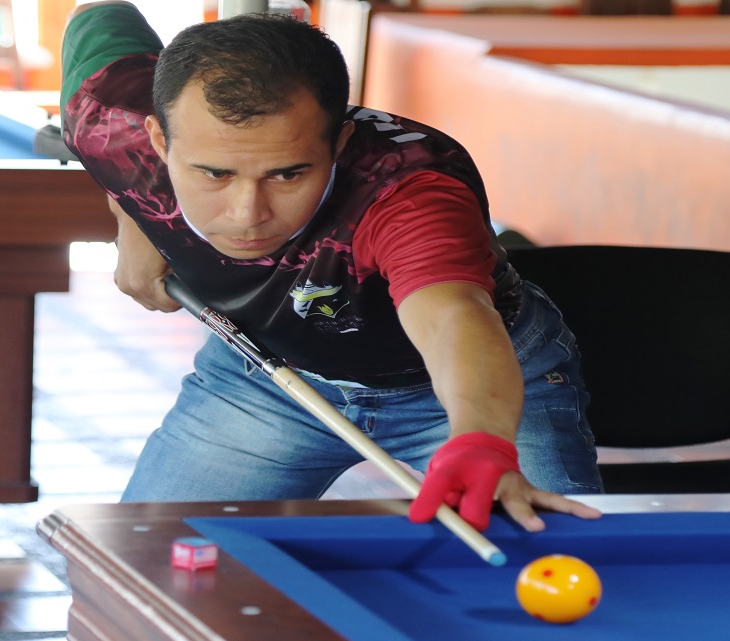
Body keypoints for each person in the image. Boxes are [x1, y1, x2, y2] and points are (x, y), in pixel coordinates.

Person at [59, 2, 603, 531]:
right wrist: (134, 215)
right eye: (215, 174)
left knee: (551, 560)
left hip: (463, 389)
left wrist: (482, 440)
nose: (248, 214)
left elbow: (451, 314)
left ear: (339, 142)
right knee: (153, 559)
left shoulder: (407, 190)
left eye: (287, 174)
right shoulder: (108, 124)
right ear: (158, 140)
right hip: (266, 380)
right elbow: (99, 11)